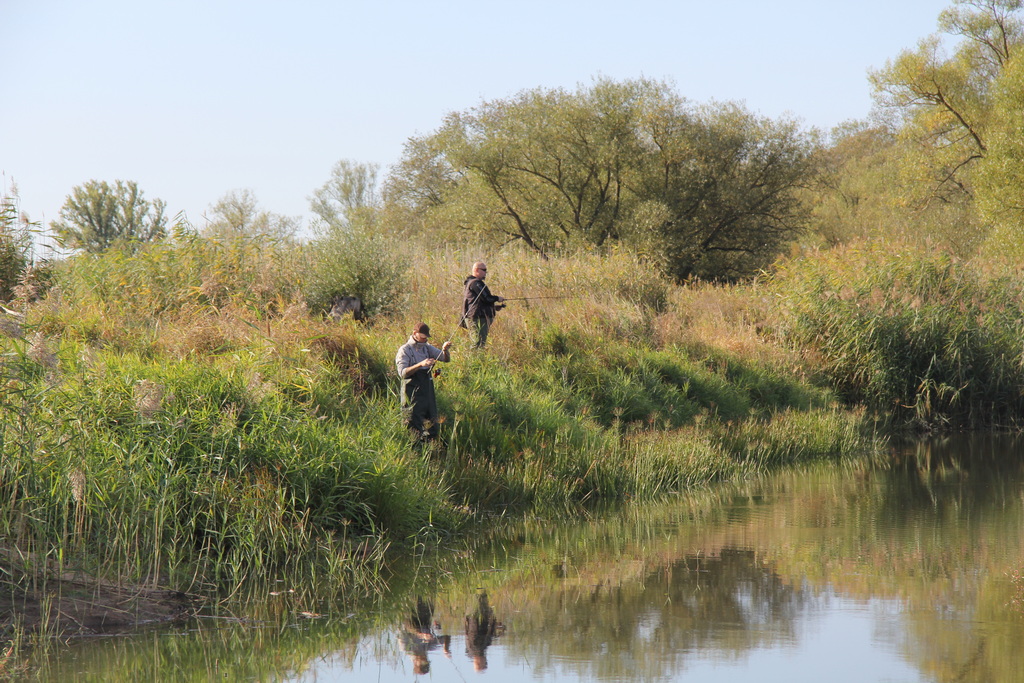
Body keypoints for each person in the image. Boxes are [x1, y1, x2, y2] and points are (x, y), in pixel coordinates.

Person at [395, 322, 452, 442]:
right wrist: (421, 364)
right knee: (412, 423)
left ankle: (432, 447)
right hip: (411, 392)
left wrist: (445, 350)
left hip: (427, 391)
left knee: (432, 421)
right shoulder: (404, 350)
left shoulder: (427, 347)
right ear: (415, 333)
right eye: (422, 337)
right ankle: (415, 449)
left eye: (426, 337)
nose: (425, 340)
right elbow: (403, 373)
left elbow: (445, 359)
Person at [460, 261, 505, 349]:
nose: (485, 273)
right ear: (477, 270)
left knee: (480, 343)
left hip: (477, 316)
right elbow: (486, 298)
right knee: (477, 343)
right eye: (484, 270)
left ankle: (478, 356)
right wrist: (497, 298)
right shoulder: (476, 283)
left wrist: (493, 307)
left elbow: (478, 302)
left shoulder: (473, 282)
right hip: (476, 317)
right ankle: (474, 357)